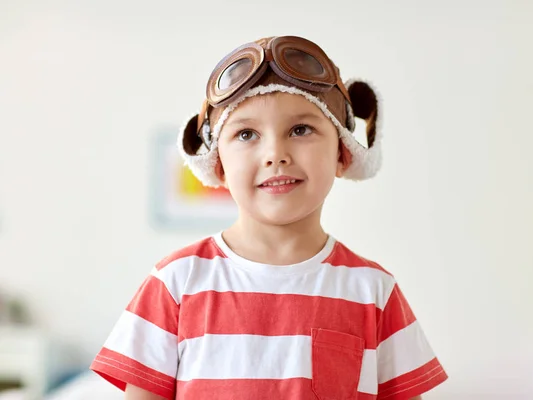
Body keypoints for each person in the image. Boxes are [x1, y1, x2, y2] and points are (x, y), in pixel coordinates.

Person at [90, 35, 448, 400]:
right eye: (247, 134)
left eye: (300, 129)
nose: (275, 154)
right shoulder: (174, 283)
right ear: (219, 166)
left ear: (343, 153)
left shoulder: (375, 291)